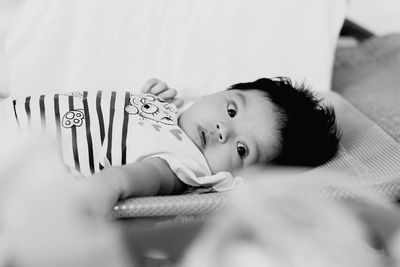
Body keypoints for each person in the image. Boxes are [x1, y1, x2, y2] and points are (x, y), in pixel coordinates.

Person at [1, 77, 340, 208]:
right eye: (232, 108)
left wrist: (107, 186)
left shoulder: (183, 162)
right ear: (217, 91)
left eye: (241, 150)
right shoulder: (173, 113)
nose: (224, 130)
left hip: (14, 150)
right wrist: (147, 102)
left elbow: (144, 174)